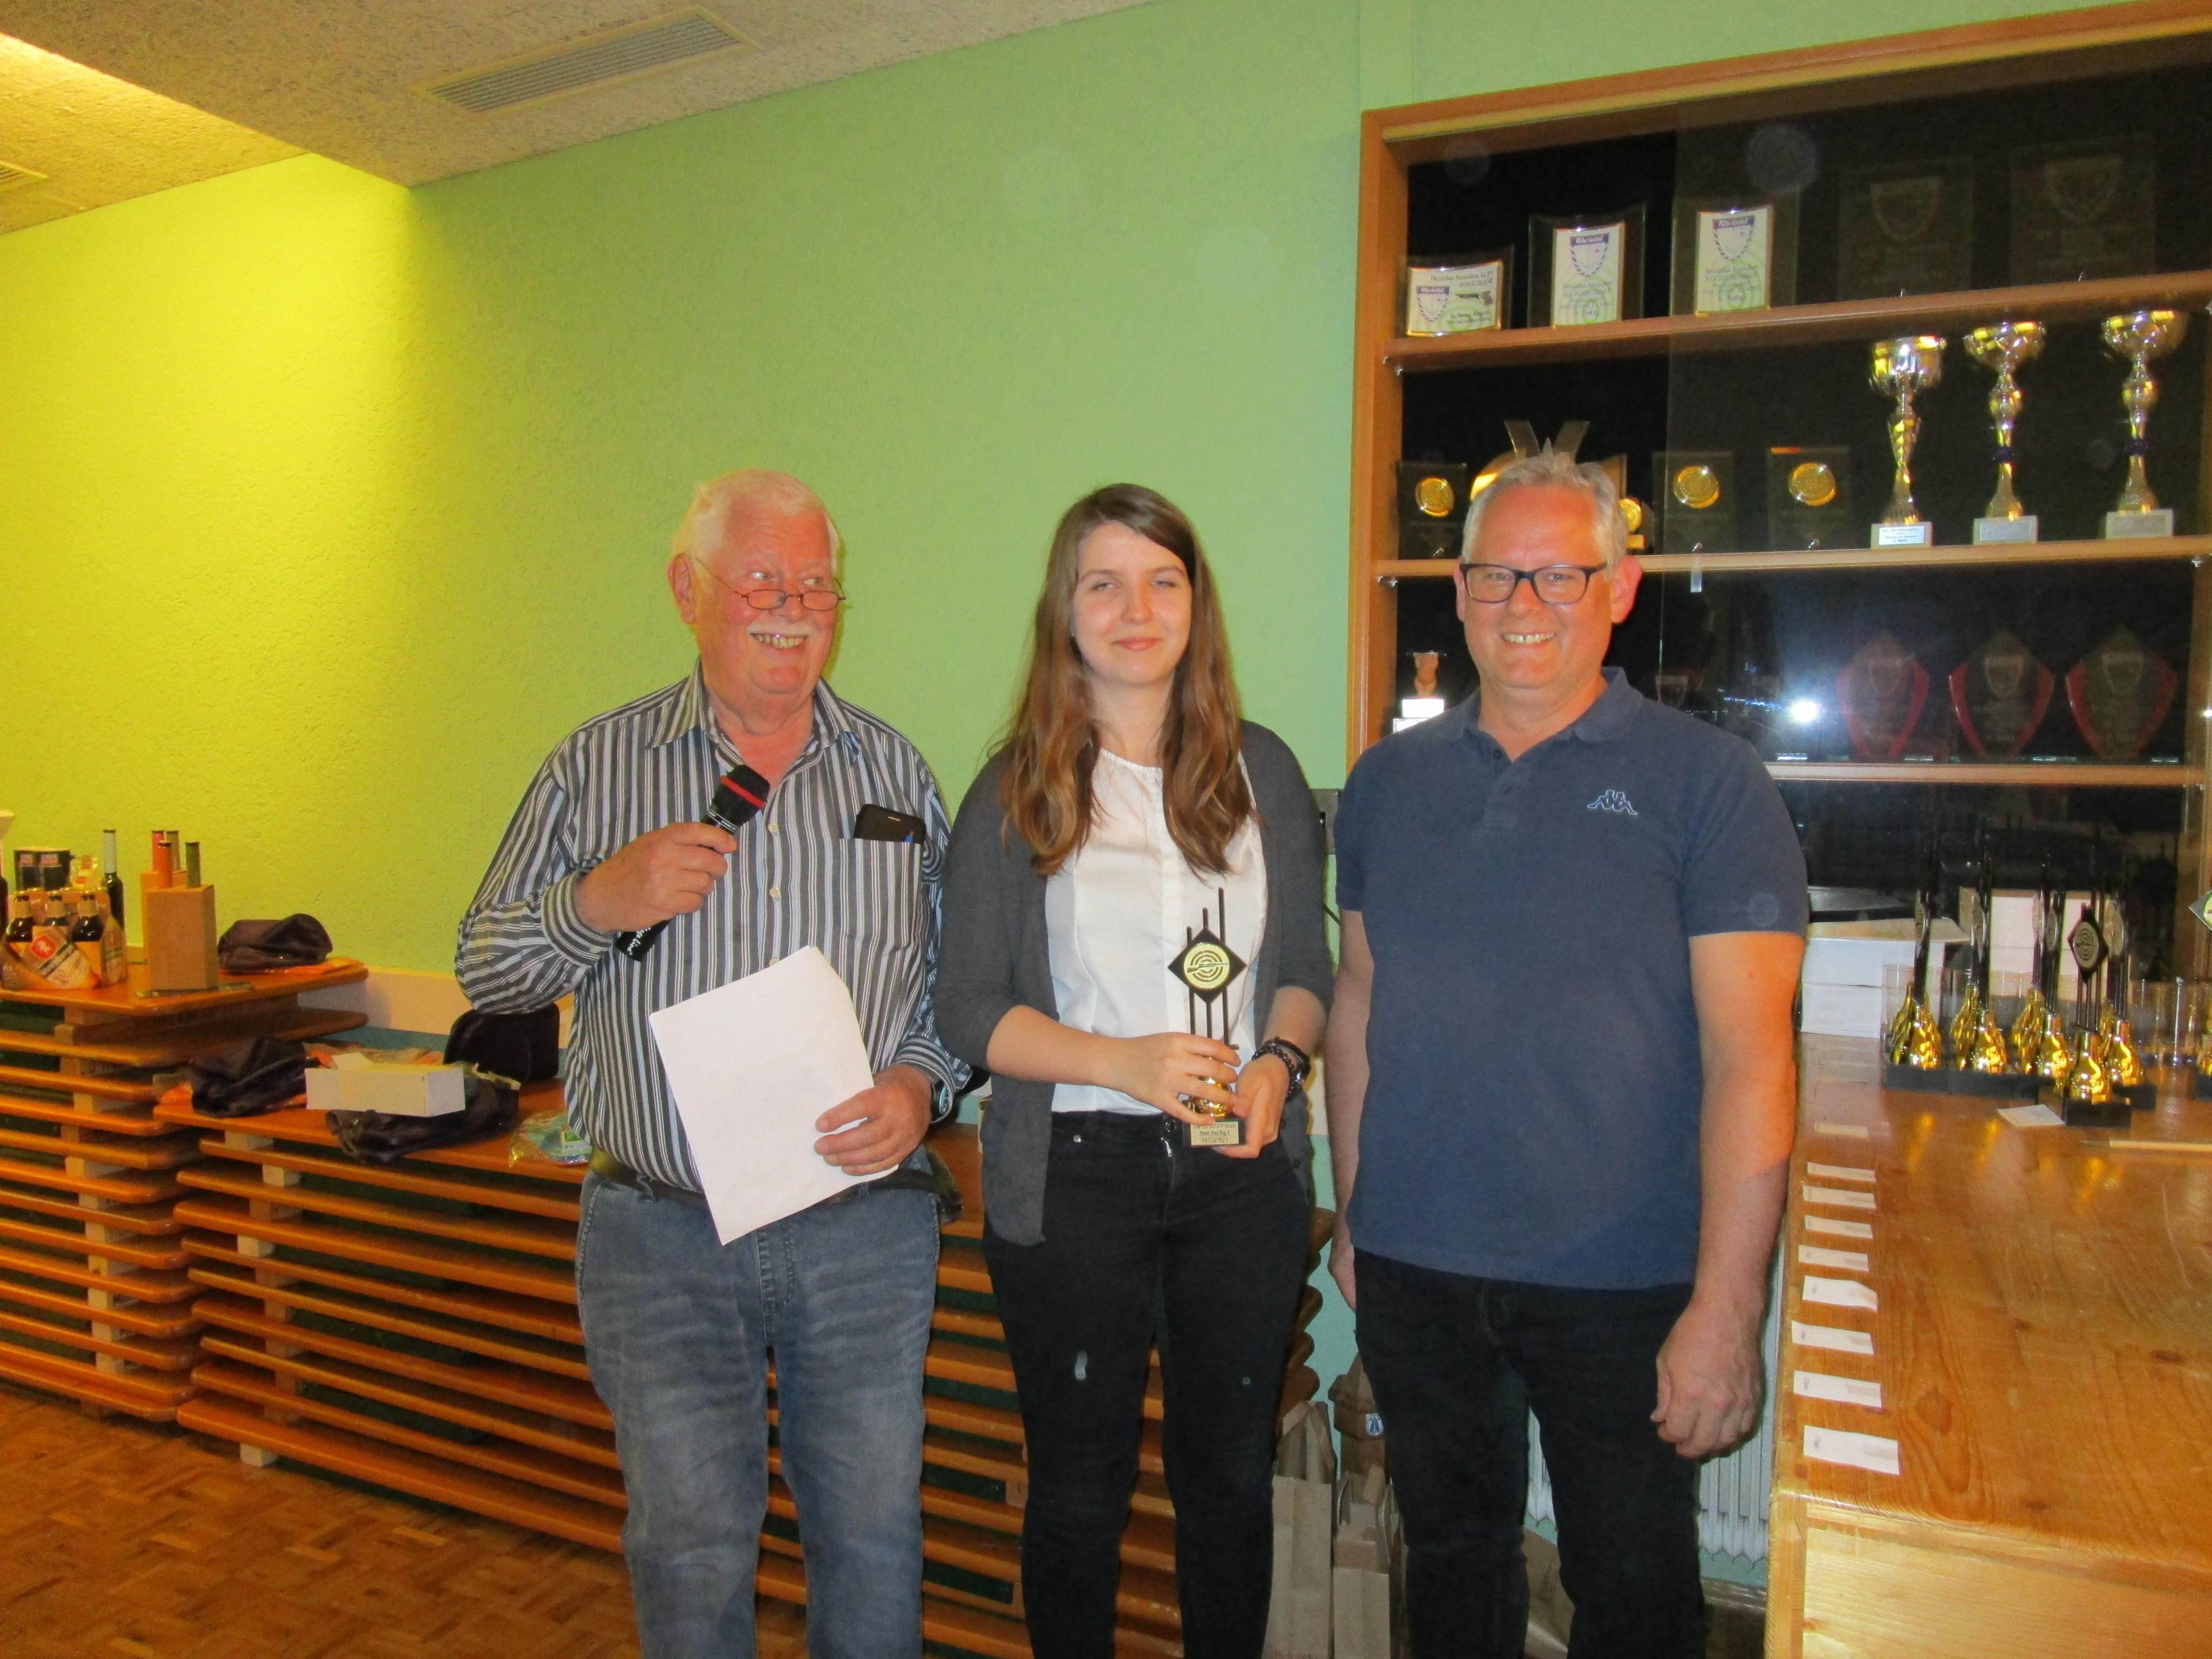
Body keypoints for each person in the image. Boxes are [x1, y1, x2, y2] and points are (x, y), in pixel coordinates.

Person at [456, 470, 965, 1659]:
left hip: (862, 1229)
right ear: (687, 591)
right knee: (688, 1550)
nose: (792, 610)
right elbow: (486, 969)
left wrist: (918, 1084)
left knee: (873, 1542)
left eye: (815, 586)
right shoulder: (595, 769)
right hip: (661, 1237)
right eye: (761, 583)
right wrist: (596, 900)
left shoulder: (896, 776)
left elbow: (958, 988)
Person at [1324, 449, 1807, 1659]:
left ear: (1620, 587)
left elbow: (1752, 1058)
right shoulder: (1386, 784)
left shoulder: (1709, 784)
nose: (1524, 605)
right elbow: (1360, 995)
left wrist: (1728, 1304)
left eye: (1561, 576)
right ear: (1458, 590)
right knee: (1450, 1573)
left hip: (1623, 1279)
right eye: (1497, 575)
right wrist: (1356, 1208)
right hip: (1418, 1262)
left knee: (1636, 1595)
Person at [938, 485, 1331, 1659]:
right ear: (1064, 611)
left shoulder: (1263, 770)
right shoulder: (1014, 788)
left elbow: (1304, 970)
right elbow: (969, 1011)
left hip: (1240, 1175)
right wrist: (1120, 1061)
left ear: (1195, 606)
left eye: (1162, 582)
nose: (1135, 609)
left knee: (1228, 1479)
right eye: (1102, 584)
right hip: (1074, 1176)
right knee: (1078, 1487)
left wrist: (1279, 1061)